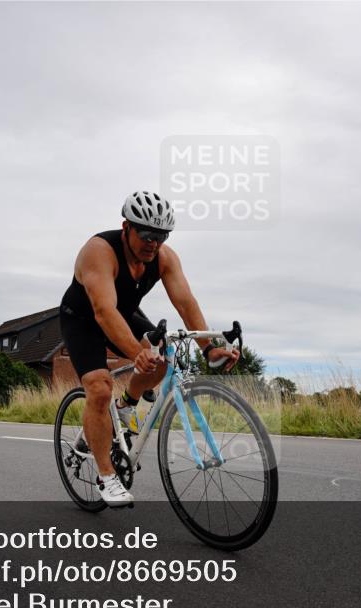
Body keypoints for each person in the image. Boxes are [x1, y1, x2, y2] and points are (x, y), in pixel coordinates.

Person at [59, 191, 240, 507]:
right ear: (126, 226)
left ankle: (127, 404)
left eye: (161, 236)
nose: (153, 243)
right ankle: (106, 476)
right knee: (100, 389)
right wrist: (135, 352)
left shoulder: (165, 258)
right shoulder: (99, 251)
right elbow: (103, 311)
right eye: (146, 235)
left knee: (161, 362)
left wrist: (210, 348)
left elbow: (186, 303)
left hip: (123, 314)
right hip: (84, 319)